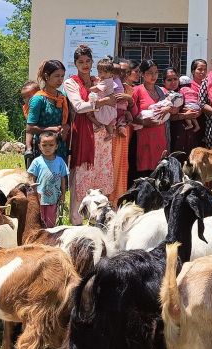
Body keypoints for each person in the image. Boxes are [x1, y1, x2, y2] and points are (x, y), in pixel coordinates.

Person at [64, 45, 123, 224]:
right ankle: (76, 221)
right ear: (75, 63)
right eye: (80, 62)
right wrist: (105, 101)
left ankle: (98, 220)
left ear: (92, 61)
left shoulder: (99, 79)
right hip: (84, 132)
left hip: (102, 133)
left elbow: (117, 94)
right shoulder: (71, 82)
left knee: (100, 175)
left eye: (88, 61)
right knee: (82, 176)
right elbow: (79, 107)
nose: (85, 65)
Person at [131, 59, 172, 177]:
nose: (153, 76)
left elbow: (172, 108)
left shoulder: (162, 91)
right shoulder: (137, 91)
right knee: (144, 173)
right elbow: (129, 115)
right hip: (144, 136)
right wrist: (143, 122)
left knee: (159, 170)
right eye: (149, 72)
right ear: (142, 74)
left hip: (160, 136)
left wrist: (168, 109)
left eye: (156, 72)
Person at [27, 132, 69, 228]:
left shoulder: (60, 161)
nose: (47, 148)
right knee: (39, 220)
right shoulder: (37, 161)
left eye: (51, 145)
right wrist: (33, 193)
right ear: (39, 146)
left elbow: (63, 178)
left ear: (56, 146)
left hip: (53, 197)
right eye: (44, 145)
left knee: (51, 221)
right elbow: (31, 177)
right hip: (39, 197)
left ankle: (49, 238)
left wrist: (63, 194)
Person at [110, 58, 136, 203]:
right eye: (119, 71)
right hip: (108, 132)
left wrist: (130, 100)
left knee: (121, 168)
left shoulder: (129, 89)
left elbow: (135, 113)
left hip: (124, 133)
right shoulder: (107, 84)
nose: (122, 75)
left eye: (126, 72)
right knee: (110, 169)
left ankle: (117, 202)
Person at [170, 59, 207, 154]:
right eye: (199, 69)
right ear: (193, 71)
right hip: (191, 122)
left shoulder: (209, 85)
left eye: (205, 69)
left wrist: (201, 111)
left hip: (206, 121)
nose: (202, 72)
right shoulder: (187, 87)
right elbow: (180, 103)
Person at [88, 58, 119, 139]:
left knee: (90, 115)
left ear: (111, 73)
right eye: (100, 72)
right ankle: (110, 133)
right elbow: (99, 81)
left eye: (105, 72)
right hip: (107, 105)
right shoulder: (108, 79)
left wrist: (87, 88)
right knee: (108, 122)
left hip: (105, 106)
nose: (102, 74)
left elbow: (96, 89)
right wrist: (95, 79)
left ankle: (100, 126)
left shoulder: (106, 82)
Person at [20, 80, 40, 167]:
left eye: (29, 96)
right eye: (24, 97)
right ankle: (28, 147)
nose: (26, 99)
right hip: (32, 131)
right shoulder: (26, 107)